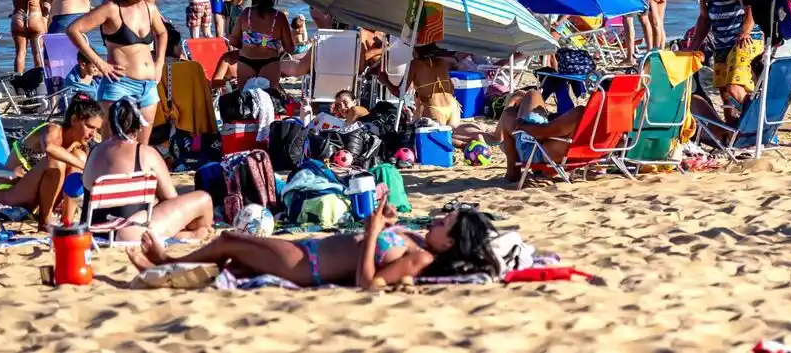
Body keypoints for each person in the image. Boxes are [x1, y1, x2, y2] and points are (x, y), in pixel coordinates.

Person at [127, 199, 499, 289]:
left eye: (443, 223)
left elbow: (368, 283)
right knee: (234, 267)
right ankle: (167, 273)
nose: (436, 220)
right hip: (309, 251)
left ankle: (165, 258)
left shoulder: (418, 260)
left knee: (229, 240)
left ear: (450, 242)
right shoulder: (418, 240)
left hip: (308, 265)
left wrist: (372, 235)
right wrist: (386, 222)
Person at [68, 0, 167, 144]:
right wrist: (100, 63)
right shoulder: (112, 9)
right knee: (111, 144)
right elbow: (74, 30)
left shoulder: (150, 8)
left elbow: (162, 33)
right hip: (119, 85)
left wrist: (160, 63)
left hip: (148, 87)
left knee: (141, 147)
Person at [84, 98, 214, 241]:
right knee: (204, 199)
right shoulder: (145, 153)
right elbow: (170, 198)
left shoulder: (94, 151)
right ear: (139, 126)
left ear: (110, 124)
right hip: (130, 231)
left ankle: (183, 235)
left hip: (95, 229)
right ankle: (194, 236)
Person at [0, 94, 102, 226]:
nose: (93, 134)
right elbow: (50, 148)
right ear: (74, 120)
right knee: (57, 162)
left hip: (35, 198)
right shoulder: (52, 129)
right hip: (10, 195)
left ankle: (67, 222)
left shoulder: (78, 144)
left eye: (97, 129)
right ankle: (45, 222)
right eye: (90, 127)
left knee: (79, 156)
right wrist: (84, 165)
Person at [496, 89, 590, 183]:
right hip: (572, 156)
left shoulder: (580, 114)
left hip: (538, 152)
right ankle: (516, 105)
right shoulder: (599, 122)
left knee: (529, 96)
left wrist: (522, 126)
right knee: (517, 108)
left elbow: (541, 133)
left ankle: (512, 172)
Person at [229, 0, 293, 90]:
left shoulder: (246, 14)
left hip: (246, 62)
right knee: (269, 99)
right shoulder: (279, 17)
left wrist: (248, 44)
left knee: (244, 99)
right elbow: (290, 48)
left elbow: (233, 41)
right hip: (270, 63)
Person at [378, 44, 460, 127]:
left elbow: (399, 92)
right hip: (454, 108)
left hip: (434, 109)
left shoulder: (414, 65)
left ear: (416, 51)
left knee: (436, 138)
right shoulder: (443, 61)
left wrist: (385, 81)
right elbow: (456, 62)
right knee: (450, 136)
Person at [7, 0, 46, 74]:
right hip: (34, 18)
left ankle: (18, 80)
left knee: (20, 52)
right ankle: (39, 81)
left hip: (17, 18)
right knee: (37, 53)